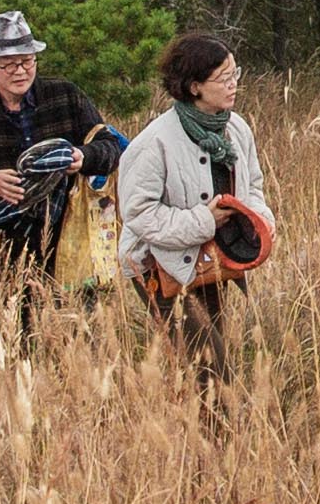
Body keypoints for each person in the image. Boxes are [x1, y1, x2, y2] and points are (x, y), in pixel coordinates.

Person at [0, 8, 117, 332]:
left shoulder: (66, 96)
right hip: (13, 251)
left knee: (86, 338)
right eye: (9, 64)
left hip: (76, 239)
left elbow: (111, 146)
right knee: (25, 343)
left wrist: (82, 157)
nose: (20, 71)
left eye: (28, 60)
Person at [111, 30, 275, 382]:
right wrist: (204, 220)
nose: (234, 84)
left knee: (208, 361)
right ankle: (221, 435)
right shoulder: (153, 144)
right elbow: (138, 216)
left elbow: (254, 186)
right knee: (210, 368)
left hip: (216, 259)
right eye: (224, 78)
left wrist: (261, 221)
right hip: (160, 266)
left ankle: (210, 430)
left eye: (236, 74)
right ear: (194, 86)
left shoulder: (236, 128)